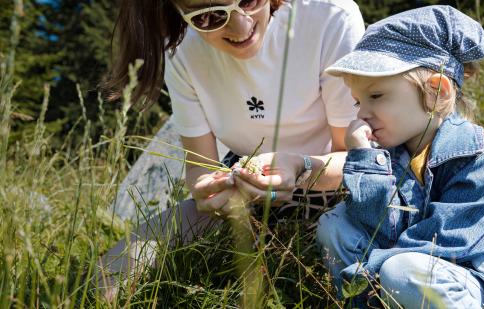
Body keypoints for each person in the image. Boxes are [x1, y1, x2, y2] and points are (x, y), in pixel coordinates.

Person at [97, 0, 365, 299]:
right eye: (210, 17)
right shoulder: (182, 50)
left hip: (336, 187)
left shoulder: (329, 16)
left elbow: (358, 163)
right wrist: (210, 190)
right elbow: (201, 166)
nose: (241, 27)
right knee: (110, 274)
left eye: (250, 1)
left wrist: (299, 169)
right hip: (244, 187)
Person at [316, 5, 484, 308]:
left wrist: (364, 273)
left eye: (376, 96)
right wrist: (364, 161)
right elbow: (379, 228)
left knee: (401, 271)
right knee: (335, 226)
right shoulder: (393, 154)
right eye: (358, 101)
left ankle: (367, 293)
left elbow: (440, 246)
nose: (361, 114)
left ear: (435, 92)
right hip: (409, 269)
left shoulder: (479, 161)